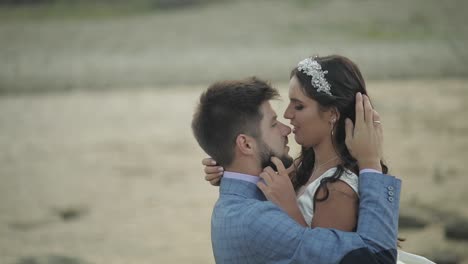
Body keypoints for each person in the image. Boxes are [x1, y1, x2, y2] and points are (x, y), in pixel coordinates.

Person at [203, 55, 434, 264]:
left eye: (299, 105)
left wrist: (289, 208)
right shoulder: (303, 167)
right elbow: (258, 180)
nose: (288, 114)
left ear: (332, 114)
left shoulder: (336, 190)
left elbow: (325, 257)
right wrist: (227, 166)